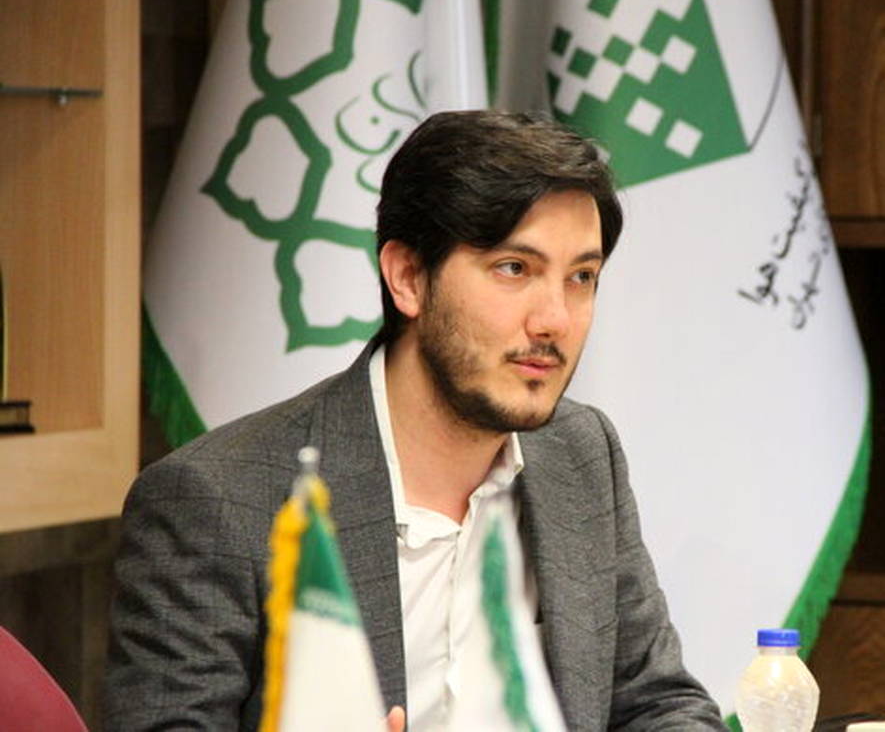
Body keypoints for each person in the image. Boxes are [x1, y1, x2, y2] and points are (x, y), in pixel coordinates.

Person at [105, 110, 725, 730]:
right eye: (514, 268)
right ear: (408, 278)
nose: (555, 320)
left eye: (581, 277)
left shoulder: (580, 451)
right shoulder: (216, 501)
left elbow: (657, 702)